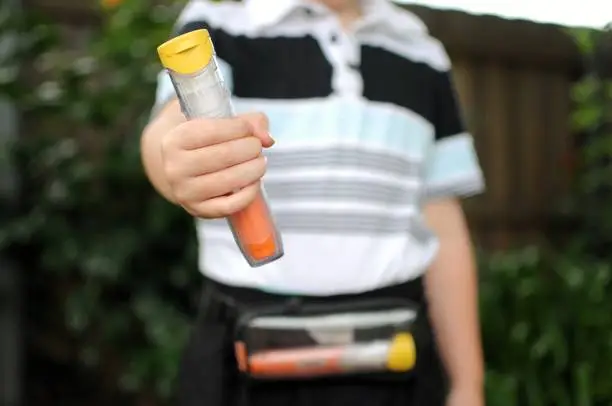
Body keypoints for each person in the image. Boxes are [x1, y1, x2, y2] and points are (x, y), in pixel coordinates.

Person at [141, 0, 486, 405]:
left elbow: (441, 223)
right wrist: (177, 162)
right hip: (245, 358)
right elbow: (170, 127)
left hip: (396, 360)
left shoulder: (419, 49)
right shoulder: (222, 20)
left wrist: (467, 385)